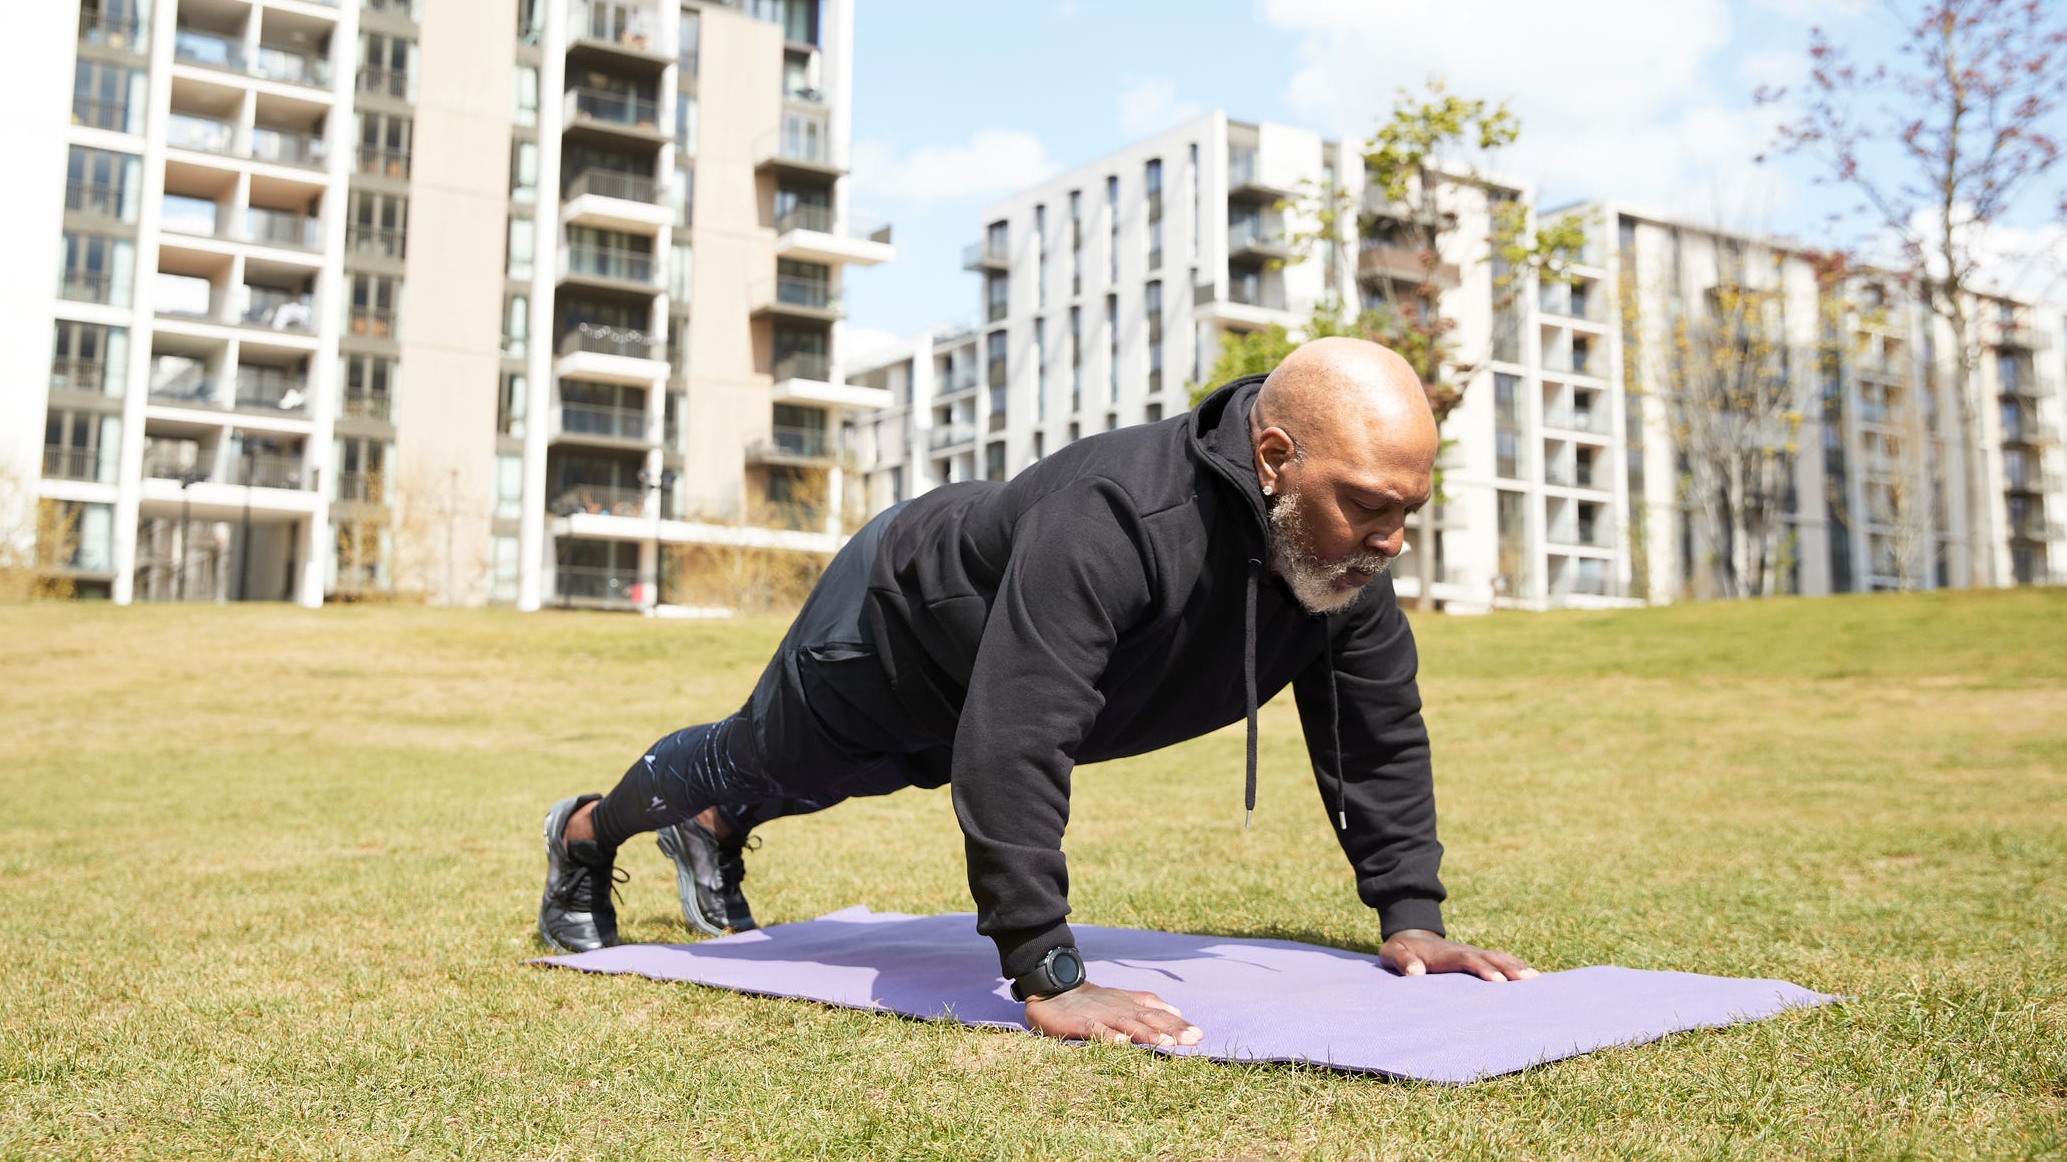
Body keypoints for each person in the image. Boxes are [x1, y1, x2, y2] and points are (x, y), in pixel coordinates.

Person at [538, 338, 1537, 1048]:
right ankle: (584, 834)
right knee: (760, 759)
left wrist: (1412, 917)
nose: (1390, 538)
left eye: (1410, 509)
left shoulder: (1338, 568)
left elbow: (1376, 737)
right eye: (1366, 504)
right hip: (894, 628)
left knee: (828, 783)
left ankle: (710, 832)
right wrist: (1047, 970)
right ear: (1276, 458)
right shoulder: (1115, 516)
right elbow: (1017, 736)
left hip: (991, 686)